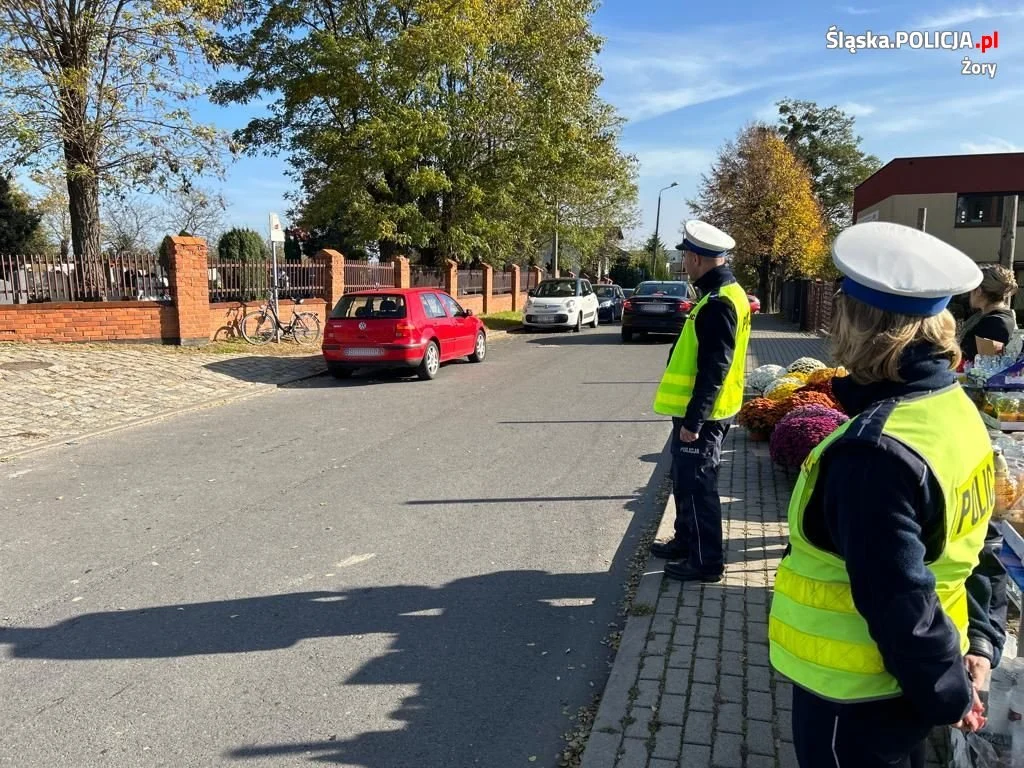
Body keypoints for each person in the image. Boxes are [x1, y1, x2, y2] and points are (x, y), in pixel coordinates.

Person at [767, 221, 1008, 768]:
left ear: (857, 322)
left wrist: (949, 693)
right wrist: (979, 644)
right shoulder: (952, 408)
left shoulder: (871, 453)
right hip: (921, 676)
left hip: (854, 693)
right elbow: (977, 543)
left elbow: (899, 600)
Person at [649, 220, 752, 583]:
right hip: (706, 411)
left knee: (698, 486)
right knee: (685, 480)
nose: (683, 264)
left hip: (705, 416)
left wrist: (694, 421)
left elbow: (714, 368)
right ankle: (685, 541)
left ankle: (706, 563)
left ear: (695, 258)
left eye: (684, 258)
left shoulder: (720, 302)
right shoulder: (723, 293)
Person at [958, 264, 1018, 362]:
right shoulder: (997, 317)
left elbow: (987, 366)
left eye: (971, 289)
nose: (969, 294)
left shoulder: (994, 323)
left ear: (979, 291)